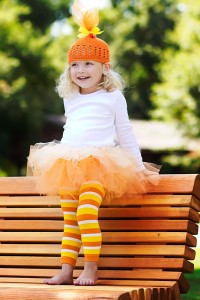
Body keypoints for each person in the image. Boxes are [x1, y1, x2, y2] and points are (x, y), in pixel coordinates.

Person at [27, 0, 160, 286]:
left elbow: (125, 133)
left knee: (86, 210)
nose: (81, 70)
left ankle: (91, 267)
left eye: (89, 63)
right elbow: (72, 129)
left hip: (100, 163)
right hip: (67, 161)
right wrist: (63, 154)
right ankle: (66, 268)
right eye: (75, 64)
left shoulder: (113, 97)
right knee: (70, 219)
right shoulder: (70, 96)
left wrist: (138, 167)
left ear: (105, 67)